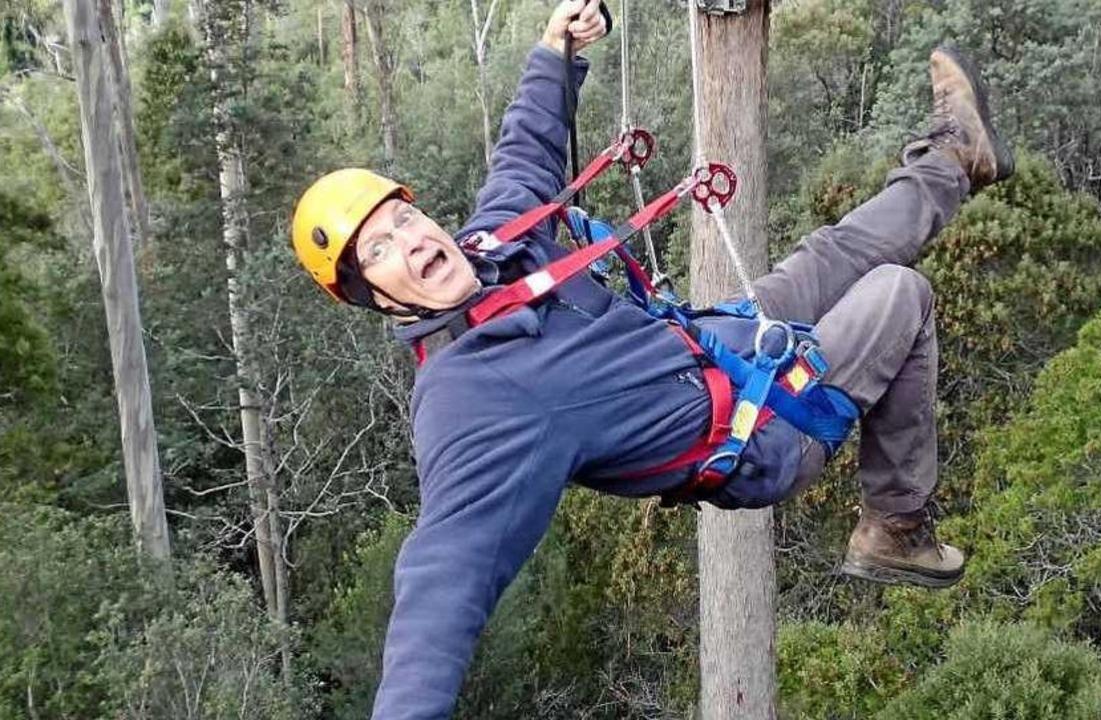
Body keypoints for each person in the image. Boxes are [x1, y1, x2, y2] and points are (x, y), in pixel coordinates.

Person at [289, 1, 1013, 716]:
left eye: (404, 219)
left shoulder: (494, 249)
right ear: (378, 300)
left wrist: (556, 51)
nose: (411, 242)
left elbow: (524, 153)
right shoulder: (471, 398)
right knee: (896, 294)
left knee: (834, 254)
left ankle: (952, 157)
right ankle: (896, 527)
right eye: (380, 251)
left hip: (715, 348)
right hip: (761, 432)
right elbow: (443, 576)